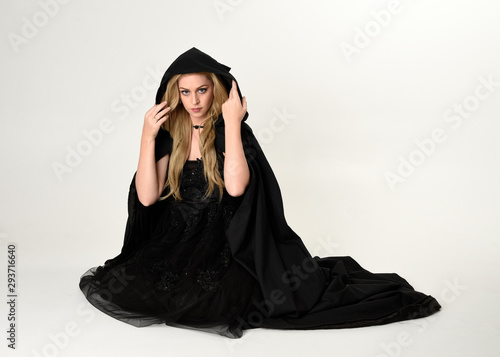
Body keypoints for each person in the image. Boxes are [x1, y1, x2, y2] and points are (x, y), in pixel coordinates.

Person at [79, 47, 441, 339]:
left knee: (221, 297)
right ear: (174, 94)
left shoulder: (229, 131)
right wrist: (146, 136)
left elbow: (236, 187)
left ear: (215, 90)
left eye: (202, 90)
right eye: (185, 92)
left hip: (225, 246)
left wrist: (233, 123)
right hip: (177, 242)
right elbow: (146, 198)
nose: (194, 101)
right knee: (139, 286)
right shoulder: (170, 136)